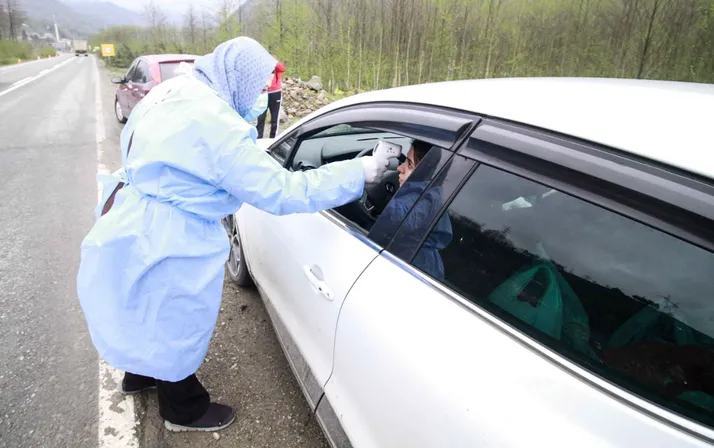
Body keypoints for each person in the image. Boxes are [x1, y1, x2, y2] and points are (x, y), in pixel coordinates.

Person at [77, 37, 389, 433]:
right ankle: (183, 411)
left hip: (132, 214)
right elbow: (283, 191)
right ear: (237, 77)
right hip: (174, 236)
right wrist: (358, 173)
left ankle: (138, 375)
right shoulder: (218, 127)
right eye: (259, 85)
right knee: (173, 319)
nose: (263, 95)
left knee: (136, 303)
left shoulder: (175, 90)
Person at [371, 140, 452, 280]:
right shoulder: (433, 193)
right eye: (404, 161)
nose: (399, 168)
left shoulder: (423, 201)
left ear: (424, 173)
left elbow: (403, 217)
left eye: (409, 164)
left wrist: (360, 181)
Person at [256, 58, 285, 138]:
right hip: (263, 93)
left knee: (274, 118)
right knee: (261, 117)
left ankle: (273, 138)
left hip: (275, 92)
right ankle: (259, 138)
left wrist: (273, 61)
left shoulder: (276, 65)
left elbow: (282, 68)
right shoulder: (261, 66)